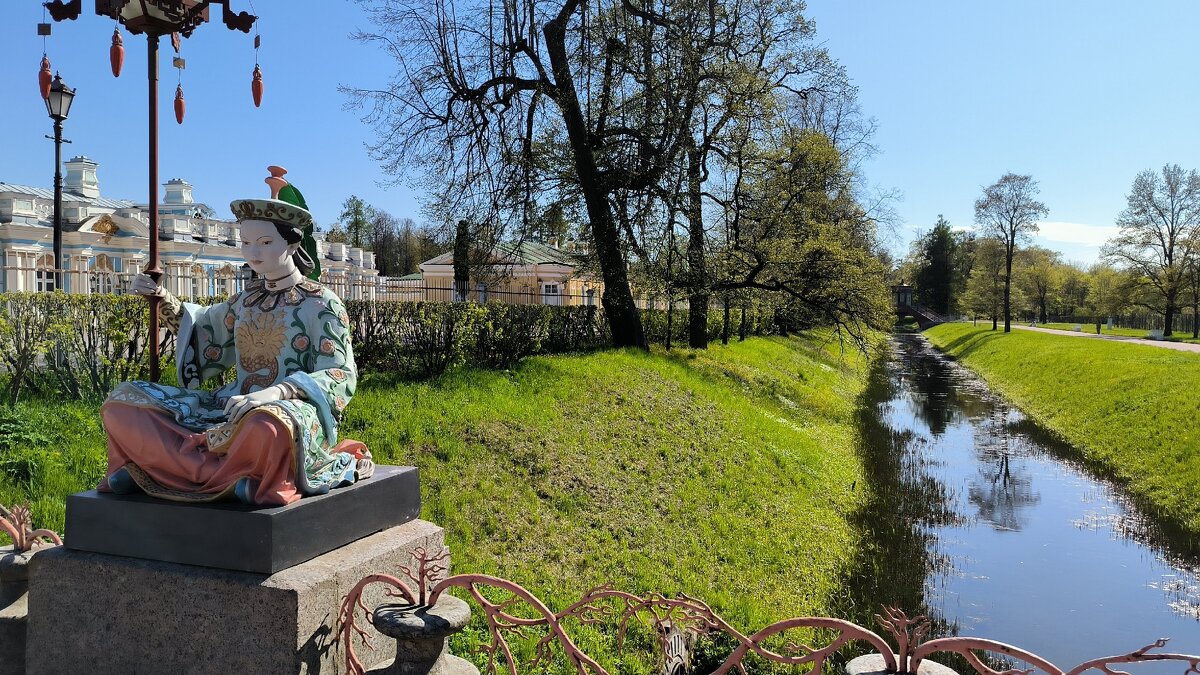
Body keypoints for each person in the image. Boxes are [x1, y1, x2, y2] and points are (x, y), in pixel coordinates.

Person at [98, 167, 372, 506]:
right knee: (123, 402)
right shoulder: (246, 300)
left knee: (268, 428)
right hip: (227, 405)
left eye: (265, 242)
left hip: (286, 410)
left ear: (292, 243)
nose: (253, 253)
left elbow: (340, 374)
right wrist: (161, 298)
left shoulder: (321, 303)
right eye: (245, 243)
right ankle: (226, 477)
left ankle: (174, 469)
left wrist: (274, 393)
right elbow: (202, 331)